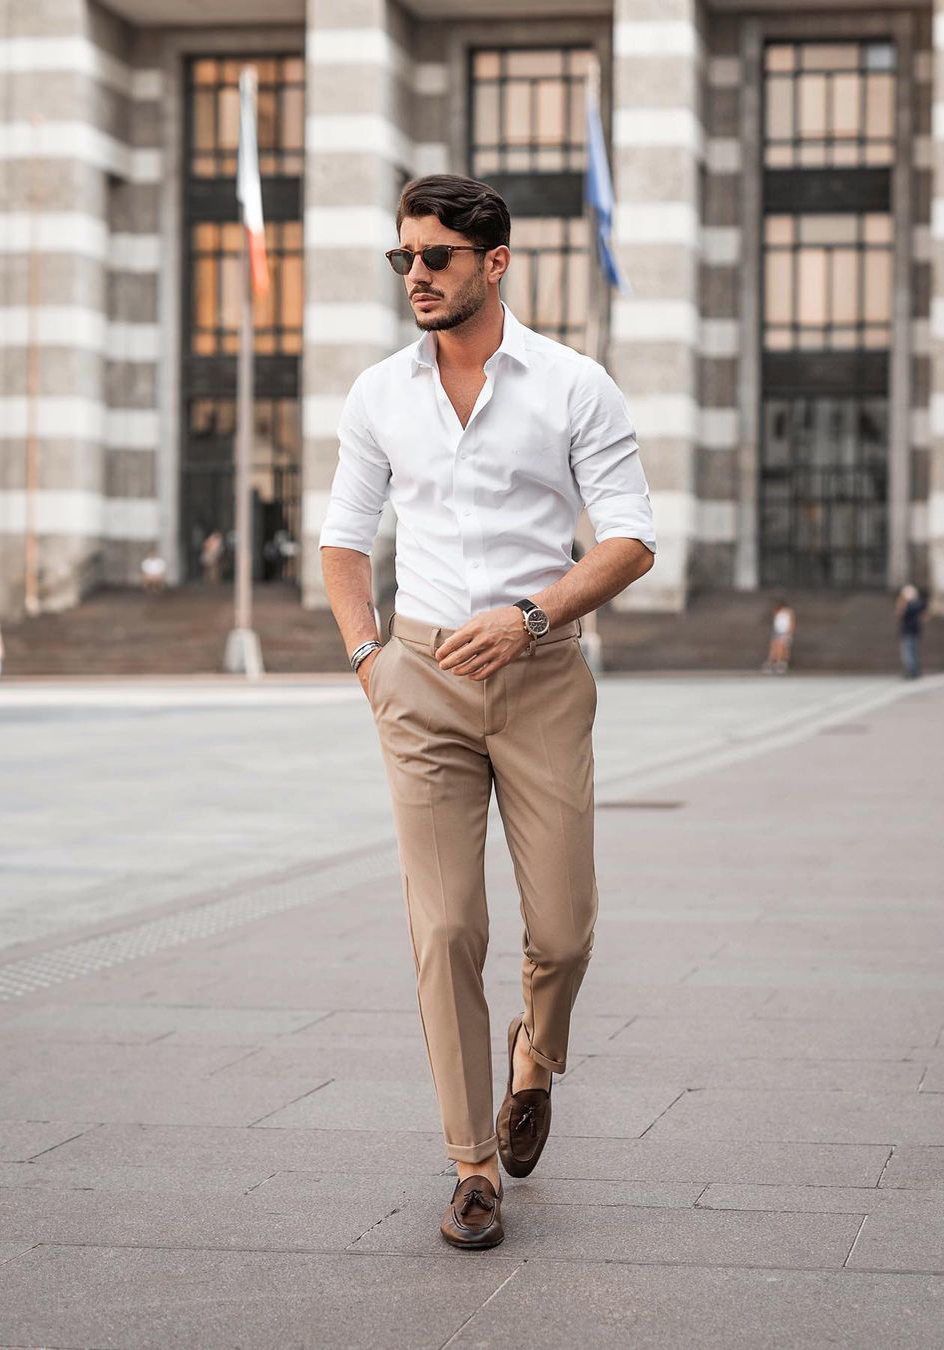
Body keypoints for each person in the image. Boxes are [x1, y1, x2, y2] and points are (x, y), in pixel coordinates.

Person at [319, 174, 655, 1250]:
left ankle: (536, 1061)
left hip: (542, 673)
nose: (415, 275)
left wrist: (531, 616)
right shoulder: (378, 394)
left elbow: (631, 537)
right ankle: (471, 1165)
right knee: (447, 926)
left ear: (494, 263)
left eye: (436, 258)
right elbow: (343, 538)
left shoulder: (572, 385)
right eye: (403, 258)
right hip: (418, 681)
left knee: (559, 928)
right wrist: (370, 657)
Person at [897, 583, 927, 679]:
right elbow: (924, 615)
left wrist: (902, 604)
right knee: (913, 652)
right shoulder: (919, 604)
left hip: (908, 631)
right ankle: (915, 671)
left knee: (908, 653)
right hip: (915, 630)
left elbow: (900, 614)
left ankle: (911, 671)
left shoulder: (908, 605)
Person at [764, 598, 795, 674]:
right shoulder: (778, 612)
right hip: (777, 631)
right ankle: (772, 663)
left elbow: (791, 623)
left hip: (784, 632)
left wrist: (789, 633)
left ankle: (781, 664)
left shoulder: (788, 611)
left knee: (782, 649)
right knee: (774, 648)